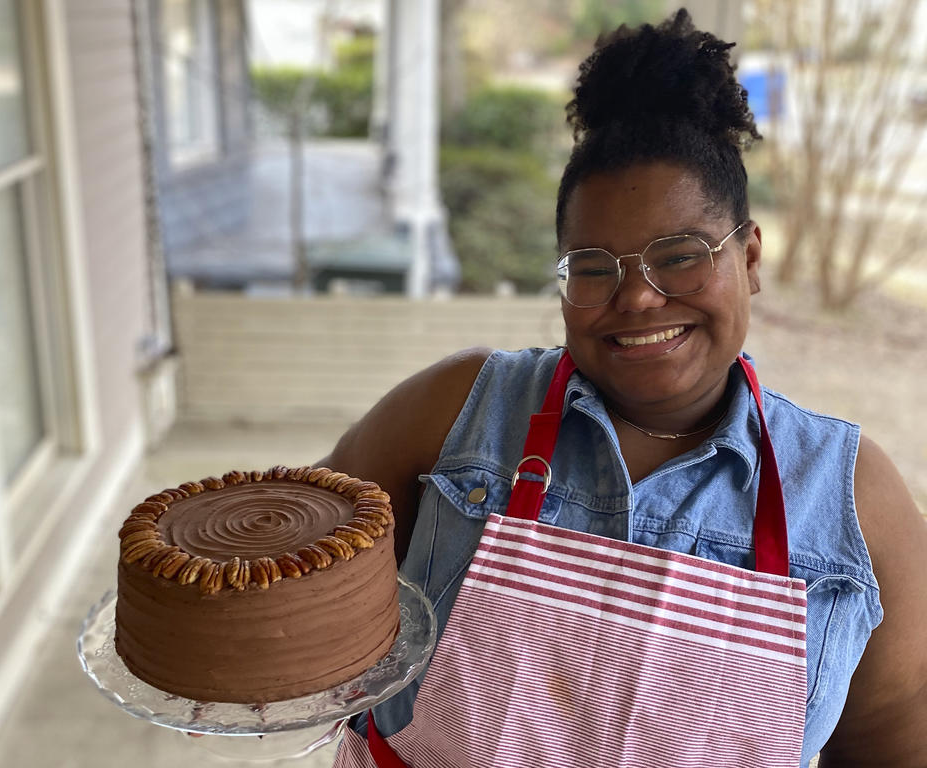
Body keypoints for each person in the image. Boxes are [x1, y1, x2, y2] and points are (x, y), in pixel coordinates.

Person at [324, 10, 927, 767]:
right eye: (593, 265)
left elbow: (891, 745)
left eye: (679, 256)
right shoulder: (456, 415)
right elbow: (302, 599)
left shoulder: (851, 502)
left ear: (750, 256)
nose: (637, 298)